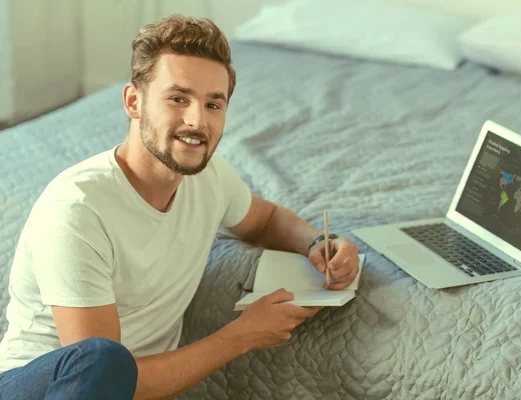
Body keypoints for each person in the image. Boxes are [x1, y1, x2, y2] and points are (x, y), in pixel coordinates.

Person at [0, 14, 360, 400]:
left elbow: (265, 219)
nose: (196, 121)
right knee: (104, 358)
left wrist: (318, 243)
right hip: (40, 387)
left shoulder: (211, 179)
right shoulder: (77, 210)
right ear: (133, 102)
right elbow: (105, 376)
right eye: (177, 98)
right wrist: (239, 337)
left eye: (213, 104)